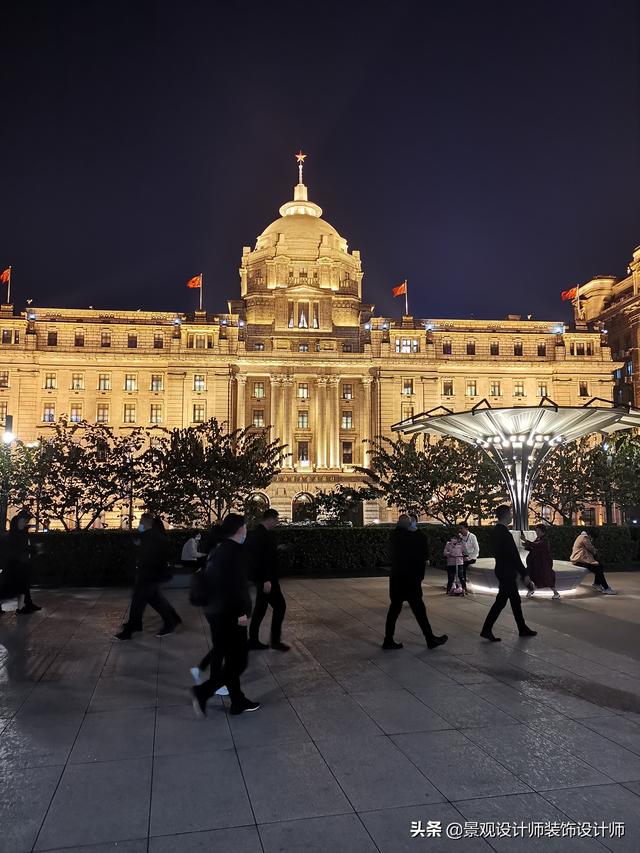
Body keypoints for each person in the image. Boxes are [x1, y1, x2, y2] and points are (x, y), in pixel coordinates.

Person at [191, 513, 260, 717]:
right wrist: (241, 613)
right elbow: (233, 586)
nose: (246, 531)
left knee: (230, 658)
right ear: (239, 530)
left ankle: (237, 701)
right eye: (245, 527)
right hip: (229, 613)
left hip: (215, 611)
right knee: (239, 661)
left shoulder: (220, 550)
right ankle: (203, 691)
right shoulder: (234, 552)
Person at [382, 514, 448, 650]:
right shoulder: (411, 537)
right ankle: (430, 639)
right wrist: (416, 530)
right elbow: (422, 548)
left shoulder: (394, 536)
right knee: (419, 610)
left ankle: (388, 639)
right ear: (408, 524)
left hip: (396, 579)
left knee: (395, 609)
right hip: (410, 580)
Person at [114, 512, 181, 640]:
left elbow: (148, 556)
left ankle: (131, 629)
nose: (139, 524)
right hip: (150, 575)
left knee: (138, 602)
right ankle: (171, 620)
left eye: (140, 521)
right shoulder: (154, 536)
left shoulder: (150, 537)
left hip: (148, 575)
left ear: (145, 522)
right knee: (155, 600)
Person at [480, 505, 537, 642]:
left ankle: (521, 628)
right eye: (510, 513)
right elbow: (514, 556)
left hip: (501, 570)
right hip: (507, 573)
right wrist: (525, 574)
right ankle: (487, 629)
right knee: (501, 602)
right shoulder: (505, 534)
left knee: (514, 601)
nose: (512, 516)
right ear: (506, 515)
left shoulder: (495, 532)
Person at [247, 509, 289, 652]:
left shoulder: (258, 533)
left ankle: (253, 640)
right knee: (280, 607)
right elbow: (260, 559)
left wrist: (277, 548)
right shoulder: (262, 535)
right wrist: (266, 580)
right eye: (276, 520)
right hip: (267, 579)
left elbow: (263, 555)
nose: (277, 523)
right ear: (270, 519)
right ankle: (274, 641)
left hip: (264, 578)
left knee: (260, 609)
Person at [0, 510, 42, 615]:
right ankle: (21, 608)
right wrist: (34, 549)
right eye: (24, 520)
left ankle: (25, 606)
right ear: (19, 521)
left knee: (22, 586)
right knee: (12, 588)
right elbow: (21, 548)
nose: (26, 523)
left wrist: (32, 527)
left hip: (20, 563)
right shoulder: (15, 535)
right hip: (15, 564)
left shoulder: (21, 531)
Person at [571, 527, 616, 594]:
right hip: (579, 560)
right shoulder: (584, 538)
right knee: (598, 568)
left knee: (599, 566)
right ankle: (606, 588)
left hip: (580, 560)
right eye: (592, 537)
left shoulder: (581, 536)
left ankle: (597, 584)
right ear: (590, 535)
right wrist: (596, 551)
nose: (592, 539)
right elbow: (591, 548)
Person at [523, 524, 559, 599]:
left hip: (543, 563)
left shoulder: (544, 540)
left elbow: (537, 546)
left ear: (543, 532)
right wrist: (526, 545)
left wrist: (526, 541)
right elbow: (534, 547)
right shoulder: (538, 539)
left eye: (538, 531)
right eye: (536, 530)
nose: (537, 532)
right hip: (536, 563)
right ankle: (531, 589)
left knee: (547, 578)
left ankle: (556, 593)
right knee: (530, 575)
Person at [458, 522, 479, 592]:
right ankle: (459, 584)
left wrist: (468, 557)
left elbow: (476, 549)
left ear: (466, 528)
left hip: (472, 557)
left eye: (461, 528)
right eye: (459, 528)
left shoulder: (472, 536)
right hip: (463, 556)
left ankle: (463, 586)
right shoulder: (460, 536)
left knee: (462, 566)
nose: (460, 530)